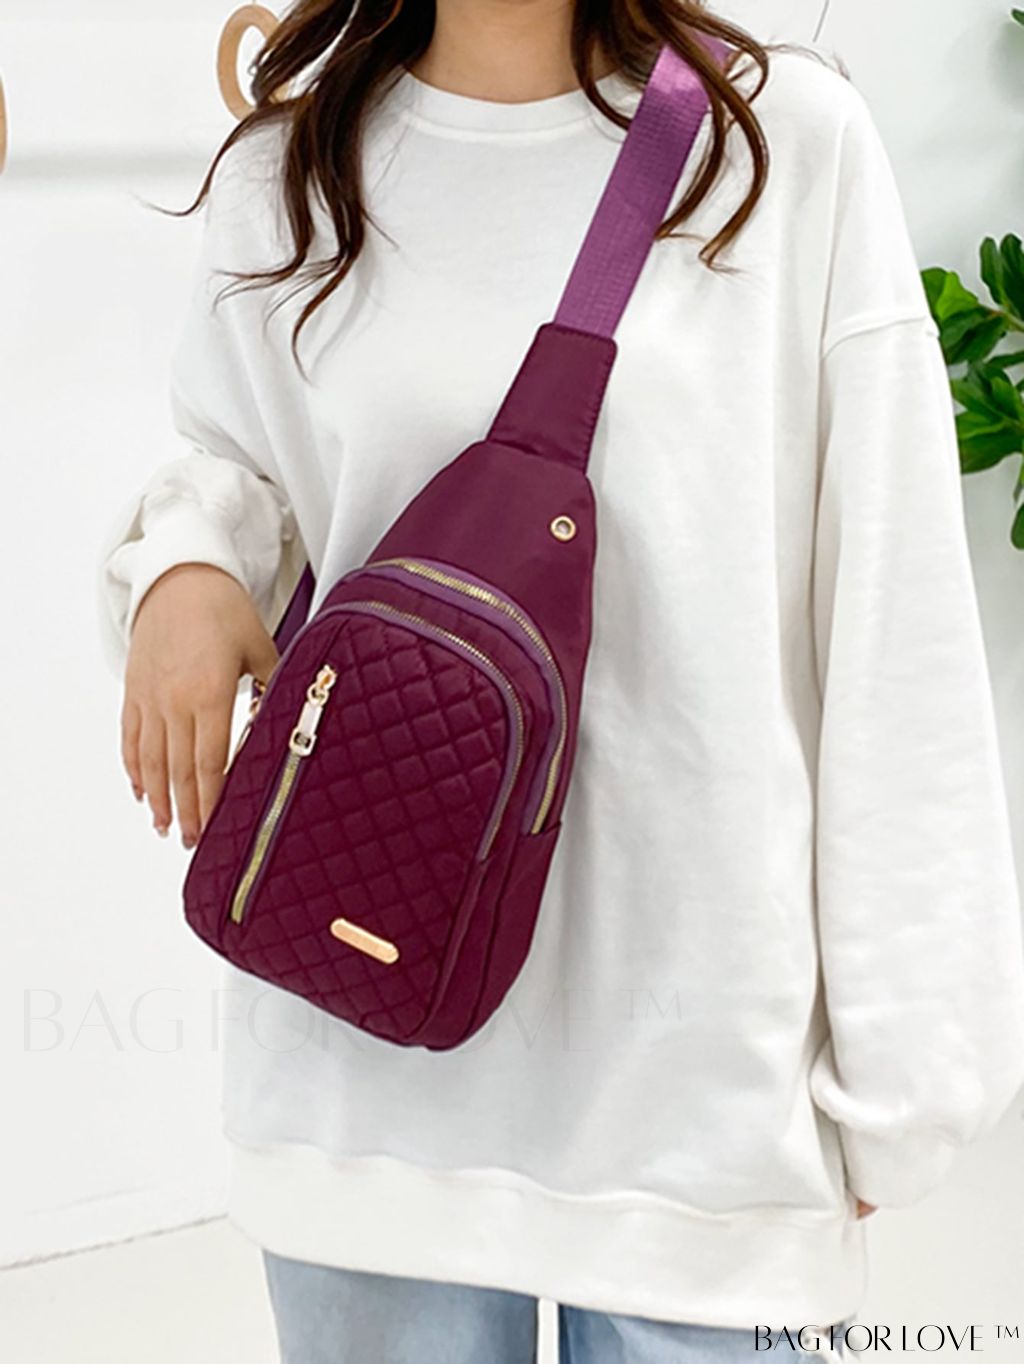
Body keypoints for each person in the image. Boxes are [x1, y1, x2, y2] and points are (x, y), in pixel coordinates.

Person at [97, 0, 1024, 1359]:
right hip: (360, 1098)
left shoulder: (782, 152)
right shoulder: (286, 175)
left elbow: (896, 619)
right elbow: (235, 468)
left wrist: (908, 1071)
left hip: (694, 1118)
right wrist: (183, 563)